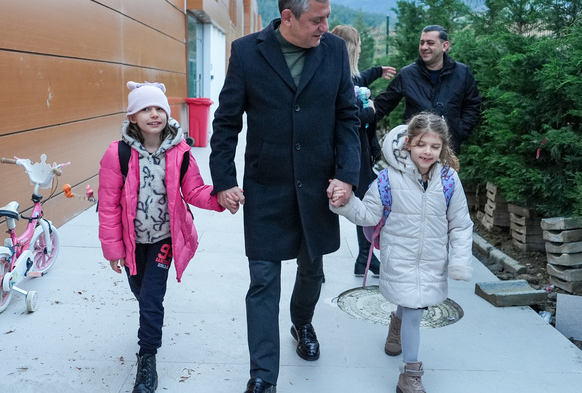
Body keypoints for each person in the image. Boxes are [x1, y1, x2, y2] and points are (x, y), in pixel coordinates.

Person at [208, 0, 361, 391]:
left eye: (327, 17)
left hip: (317, 186)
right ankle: (262, 375)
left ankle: (302, 322)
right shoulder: (246, 51)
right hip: (266, 187)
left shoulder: (334, 52)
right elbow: (226, 122)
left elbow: (347, 116)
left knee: (312, 270)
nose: (326, 26)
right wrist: (223, 180)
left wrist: (346, 175)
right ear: (288, 17)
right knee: (262, 280)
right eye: (317, 19)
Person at [330, 112, 473, 393]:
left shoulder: (448, 181)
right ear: (408, 143)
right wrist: (345, 203)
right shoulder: (387, 180)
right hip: (400, 259)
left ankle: (396, 326)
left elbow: (460, 224)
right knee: (414, 308)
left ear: (443, 147)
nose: (428, 152)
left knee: (412, 307)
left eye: (434, 146)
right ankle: (410, 375)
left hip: (432, 261)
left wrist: (459, 261)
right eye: (421, 144)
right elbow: (368, 213)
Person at [98, 81, 226, 393]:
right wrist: (113, 249)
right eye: (145, 109)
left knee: (153, 297)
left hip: (164, 238)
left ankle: (147, 358)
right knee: (141, 292)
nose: (154, 114)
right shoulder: (119, 154)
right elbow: (108, 205)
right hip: (131, 242)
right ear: (132, 117)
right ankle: (149, 324)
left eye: (159, 108)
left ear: (167, 114)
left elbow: (194, 190)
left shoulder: (180, 152)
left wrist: (220, 198)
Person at [330, 24, 396, 277]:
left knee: (359, 204)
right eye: (358, 43)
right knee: (365, 205)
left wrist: (378, 71)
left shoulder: (342, 74)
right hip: (351, 152)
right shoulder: (341, 78)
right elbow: (347, 114)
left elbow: (361, 78)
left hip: (355, 151)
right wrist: (369, 112)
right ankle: (364, 257)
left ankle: (361, 258)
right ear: (352, 47)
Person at [373, 24, 482, 154]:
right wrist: (361, 119)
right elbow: (384, 103)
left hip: (447, 149)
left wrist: (459, 131)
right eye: (422, 43)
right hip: (414, 149)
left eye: (430, 43)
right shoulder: (407, 74)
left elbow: (473, 105)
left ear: (445, 46)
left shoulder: (462, 73)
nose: (424, 47)